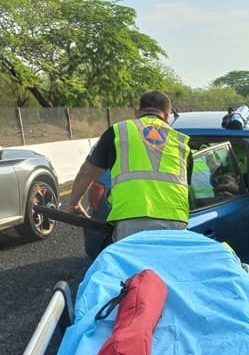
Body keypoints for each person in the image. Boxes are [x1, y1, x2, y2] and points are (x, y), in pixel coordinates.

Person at [66, 90, 192, 242]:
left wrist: (74, 204)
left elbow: (87, 173)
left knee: (134, 265)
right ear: (167, 116)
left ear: (137, 112)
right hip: (176, 221)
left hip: (132, 219)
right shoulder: (181, 142)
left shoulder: (118, 132)